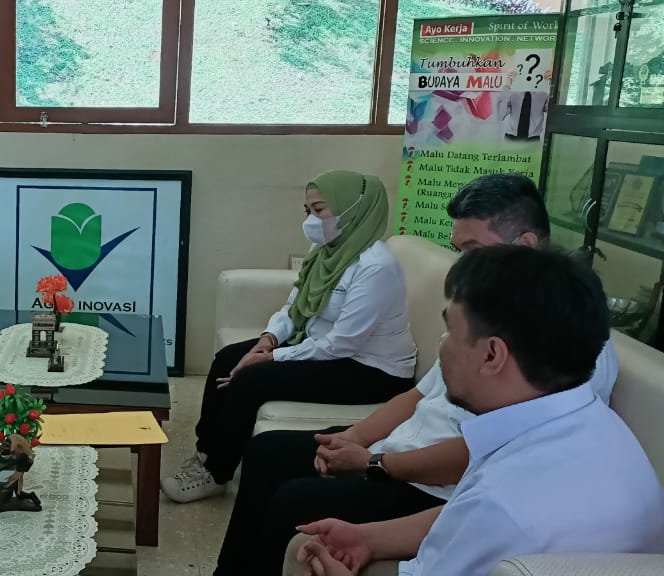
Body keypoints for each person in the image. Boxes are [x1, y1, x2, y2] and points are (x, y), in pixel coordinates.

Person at [212, 173, 619, 575]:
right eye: (459, 250)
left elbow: (481, 454)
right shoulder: (485, 315)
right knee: (267, 452)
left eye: (473, 250)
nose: (463, 264)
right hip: (398, 451)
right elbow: (420, 395)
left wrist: (373, 463)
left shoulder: (564, 347)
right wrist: (354, 437)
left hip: (433, 486)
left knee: (295, 502)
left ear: (524, 245)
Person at [295, 246, 664, 575]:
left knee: (301, 550)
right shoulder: (592, 422)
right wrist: (370, 538)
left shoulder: (502, 507)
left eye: (451, 334)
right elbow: (463, 516)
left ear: (492, 355)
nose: (443, 347)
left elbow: (482, 518)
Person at [164, 170, 418, 503]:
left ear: (353, 209)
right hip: (323, 348)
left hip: (371, 370)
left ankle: (217, 472)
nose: (311, 220)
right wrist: (268, 339)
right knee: (227, 359)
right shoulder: (326, 249)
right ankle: (206, 453)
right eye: (307, 210)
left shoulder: (376, 267)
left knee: (251, 380)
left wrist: (272, 358)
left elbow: (343, 343)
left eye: (320, 210)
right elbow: (295, 306)